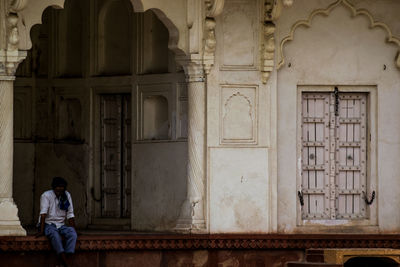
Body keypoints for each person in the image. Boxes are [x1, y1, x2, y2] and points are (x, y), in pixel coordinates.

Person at [36, 177, 77, 267]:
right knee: (55, 235)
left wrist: (74, 229)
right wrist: (41, 231)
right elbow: (43, 214)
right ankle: (65, 263)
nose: (60, 189)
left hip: (61, 225)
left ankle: (65, 259)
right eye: (58, 187)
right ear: (54, 187)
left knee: (73, 234)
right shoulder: (46, 195)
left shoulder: (67, 195)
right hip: (48, 224)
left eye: (62, 187)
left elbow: (70, 214)